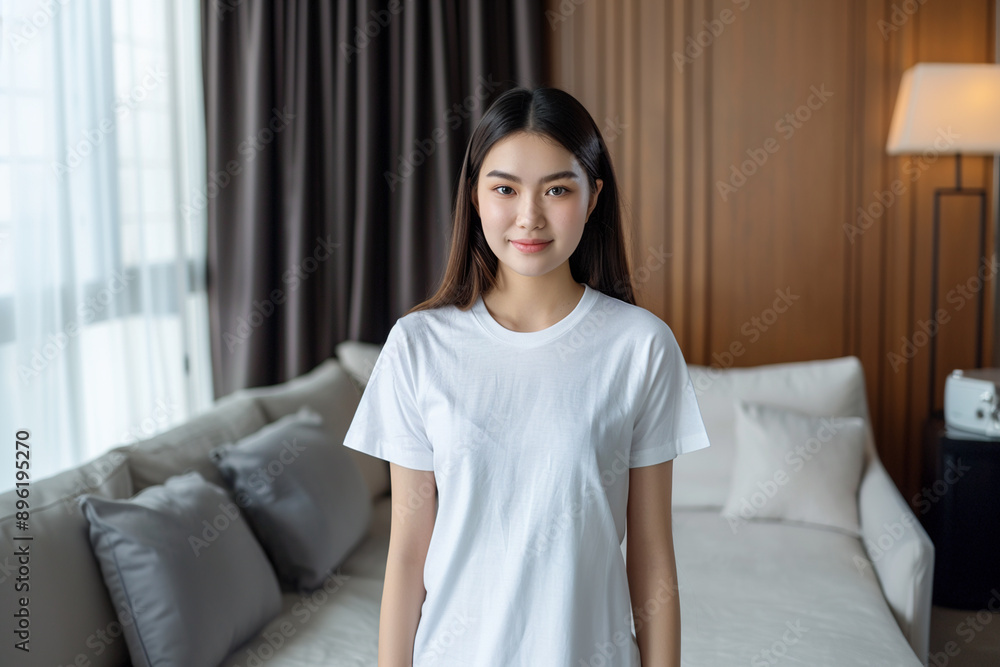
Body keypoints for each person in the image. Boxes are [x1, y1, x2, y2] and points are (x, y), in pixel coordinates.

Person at [341, 86, 711, 667]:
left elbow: (650, 551)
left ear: (593, 199)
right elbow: (408, 553)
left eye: (558, 189)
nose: (529, 216)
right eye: (505, 188)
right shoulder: (418, 345)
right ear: (475, 198)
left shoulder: (640, 346)